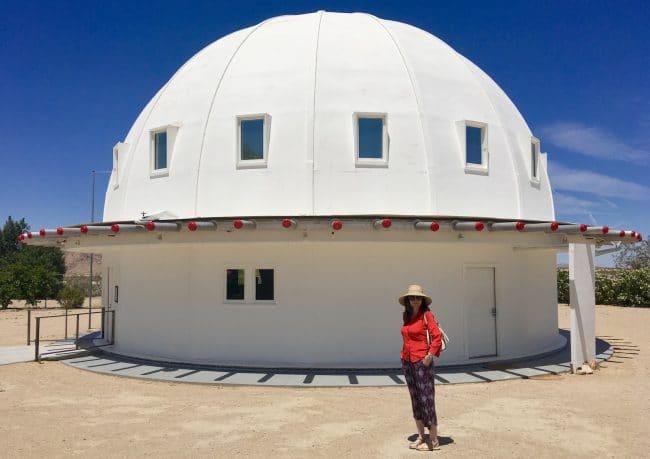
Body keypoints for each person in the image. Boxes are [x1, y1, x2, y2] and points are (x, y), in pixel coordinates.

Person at [399, 284, 443, 451]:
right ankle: (420, 436)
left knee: (427, 399)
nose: (415, 300)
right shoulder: (407, 315)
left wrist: (429, 356)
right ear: (408, 300)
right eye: (412, 298)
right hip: (407, 360)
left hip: (421, 362)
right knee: (415, 399)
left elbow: (436, 337)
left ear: (422, 300)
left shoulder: (427, 315)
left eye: (418, 298)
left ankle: (433, 440)